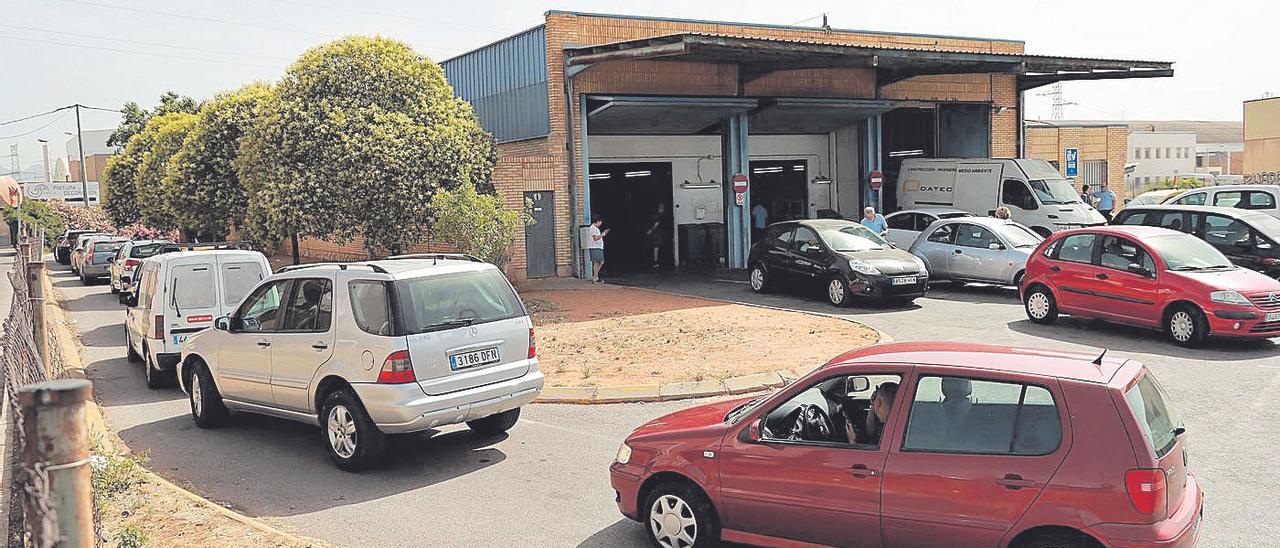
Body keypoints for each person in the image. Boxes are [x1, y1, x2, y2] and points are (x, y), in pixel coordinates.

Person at [857, 382, 899, 446]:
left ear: (878, 403)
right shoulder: (900, 419)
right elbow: (871, 432)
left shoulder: (890, 432)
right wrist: (873, 405)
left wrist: (852, 441)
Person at [645, 203, 669, 268]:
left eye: (662, 207)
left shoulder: (659, 216)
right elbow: (656, 224)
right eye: (661, 207)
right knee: (656, 246)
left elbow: (656, 224)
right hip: (658, 233)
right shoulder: (659, 216)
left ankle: (656, 261)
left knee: (656, 247)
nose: (662, 209)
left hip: (658, 233)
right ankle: (656, 261)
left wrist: (650, 230)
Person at [587, 215, 610, 283]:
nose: (600, 224)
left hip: (596, 247)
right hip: (595, 247)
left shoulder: (594, 228)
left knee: (597, 262)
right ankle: (595, 276)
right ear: (597, 221)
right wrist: (602, 234)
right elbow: (595, 238)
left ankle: (595, 277)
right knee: (600, 261)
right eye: (600, 222)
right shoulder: (593, 228)